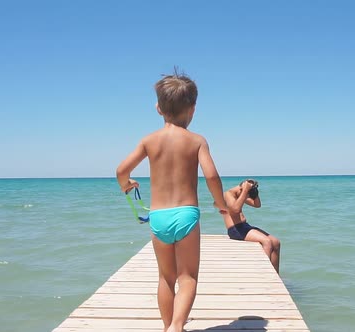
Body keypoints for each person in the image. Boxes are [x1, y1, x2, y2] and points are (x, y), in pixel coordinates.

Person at [116, 70, 228, 332]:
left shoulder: (149, 141)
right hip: (187, 215)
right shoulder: (197, 141)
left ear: (158, 108)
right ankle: (177, 325)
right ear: (193, 109)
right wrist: (220, 203)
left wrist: (127, 186)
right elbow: (211, 175)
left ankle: (169, 326)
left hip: (159, 216)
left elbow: (121, 170)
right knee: (187, 277)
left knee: (166, 278)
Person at [222, 179, 281, 274]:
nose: (246, 197)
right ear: (241, 188)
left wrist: (254, 192)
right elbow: (235, 210)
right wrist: (245, 191)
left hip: (244, 227)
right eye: (245, 194)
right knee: (267, 242)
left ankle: (275, 274)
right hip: (235, 229)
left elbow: (257, 205)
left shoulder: (239, 194)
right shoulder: (227, 195)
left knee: (276, 242)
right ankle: (264, 273)